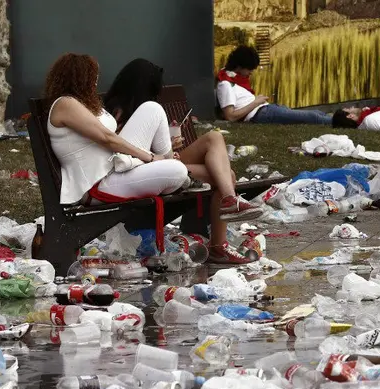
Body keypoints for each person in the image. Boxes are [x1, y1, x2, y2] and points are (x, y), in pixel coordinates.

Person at [104, 58, 263, 264]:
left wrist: (169, 145)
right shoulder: (117, 111)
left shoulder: (142, 107)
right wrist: (160, 153)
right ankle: (219, 240)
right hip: (142, 170)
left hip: (159, 161)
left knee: (214, 137)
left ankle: (229, 200)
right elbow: (123, 152)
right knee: (227, 176)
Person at [216, 45, 331, 125]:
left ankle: (343, 117)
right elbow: (230, 116)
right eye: (249, 69)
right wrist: (256, 102)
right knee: (313, 117)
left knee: (317, 113)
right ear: (239, 66)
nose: (251, 72)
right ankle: (345, 121)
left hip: (266, 109)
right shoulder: (226, 84)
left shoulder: (232, 77)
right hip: (261, 113)